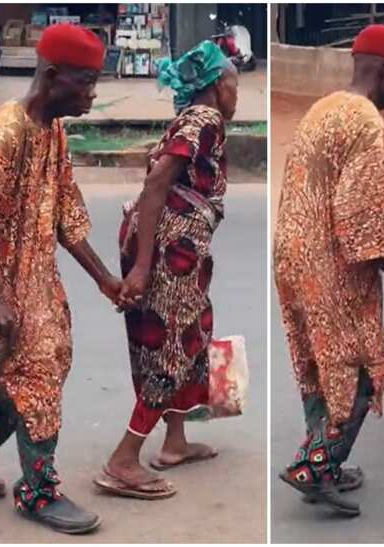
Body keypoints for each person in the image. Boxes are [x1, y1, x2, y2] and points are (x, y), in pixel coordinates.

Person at [0, 24, 122, 534]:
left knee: (19, 385)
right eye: (85, 82)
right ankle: (38, 493)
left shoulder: (53, 129)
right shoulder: (3, 136)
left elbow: (66, 213)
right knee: (36, 381)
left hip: (37, 280)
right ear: (53, 76)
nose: (93, 93)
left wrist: (105, 279)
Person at [273, 24, 384, 516]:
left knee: (319, 364)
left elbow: (365, 203)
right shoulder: (366, 121)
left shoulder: (324, 109)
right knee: (362, 366)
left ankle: (322, 462)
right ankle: (313, 467)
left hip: (294, 257)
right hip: (331, 264)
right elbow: (359, 213)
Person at [94, 41, 238, 501]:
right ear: (217, 85)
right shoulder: (206, 119)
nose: (237, 94)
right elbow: (157, 182)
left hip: (168, 245)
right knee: (170, 346)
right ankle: (123, 460)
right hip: (168, 250)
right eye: (234, 84)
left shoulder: (188, 120)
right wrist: (142, 268)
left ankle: (174, 442)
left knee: (189, 331)